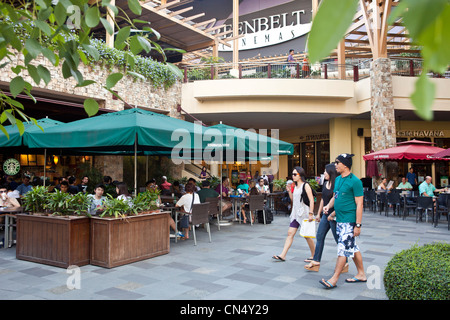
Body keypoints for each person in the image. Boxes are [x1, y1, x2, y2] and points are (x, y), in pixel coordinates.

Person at [320, 153, 366, 289]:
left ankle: (334, 279)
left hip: (349, 221)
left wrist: (358, 225)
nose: (335, 165)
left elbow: (360, 204)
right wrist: (329, 207)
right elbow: (337, 196)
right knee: (352, 247)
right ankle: (361, 274)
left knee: (342, 249)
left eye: (337, 162)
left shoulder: (356, 182)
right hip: (339, 220)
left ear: (345, 165)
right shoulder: (339, 179)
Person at [305, 164, 349, 273]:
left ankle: (345, 263)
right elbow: (323, 200)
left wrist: (331, 213)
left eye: (325, 172)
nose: (324, 173)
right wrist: (319, 214)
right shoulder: (325, 184)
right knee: (319, 236)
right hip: (325, 215)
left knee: (338, 240)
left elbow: (336, 200)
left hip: (334, 216)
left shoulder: (336, 185)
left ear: (331, 173)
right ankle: (316, 261)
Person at [272, 166, 315, 262]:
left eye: (295, 174)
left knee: (307, 236)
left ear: (300, 175)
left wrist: (311, 213)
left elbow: (311, 199)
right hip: (295, 214)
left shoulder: (305, 185)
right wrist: (289, 191)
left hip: (304, 213)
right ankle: (283, 255)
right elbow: (293, 200)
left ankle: (314, 255)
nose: (293, 176)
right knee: (290, 233)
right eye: (292, 174)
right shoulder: (295, 186)